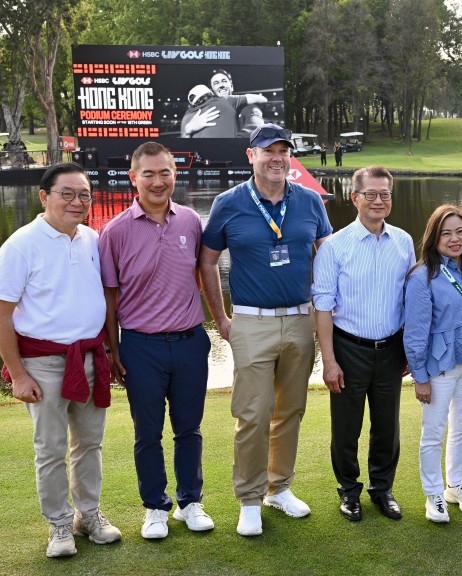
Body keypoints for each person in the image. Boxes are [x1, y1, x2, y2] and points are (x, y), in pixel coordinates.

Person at [199, 123, 332, 537]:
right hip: (252, 321)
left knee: (290, 410)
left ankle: (279, 488)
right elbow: (206, 262)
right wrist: (221, 318)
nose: (277, 158)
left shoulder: (310, 201)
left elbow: (326, 260)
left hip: (299, 319)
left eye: (283, 151)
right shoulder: (229, 203)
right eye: (267, 151)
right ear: (250, 156)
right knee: (252, 415)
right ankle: (250, 498)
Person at [0, 163, 122, 558]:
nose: (77, 202)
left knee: (90, 444)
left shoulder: (91, 240)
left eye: (84, 195)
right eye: (67, 193)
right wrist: (17, 374)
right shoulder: (20, 244)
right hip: (43, 364)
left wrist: (110, 354)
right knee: (49, 448)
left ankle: (89, 516)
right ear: (44, 196)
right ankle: (59, 525)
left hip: (91, 358)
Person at [98, 142, 214, 540]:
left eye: (165, 172)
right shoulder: (114, 231)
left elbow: (203, 276)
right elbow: (110, 301)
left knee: (189, 428)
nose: (158, 180)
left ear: (174, 174)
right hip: (140, 347)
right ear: (133, 178)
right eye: (148, 173)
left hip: (189, 342)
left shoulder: (191, 223)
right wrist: (112, 351)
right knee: (147, 433)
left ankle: (190, 501)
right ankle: (155, 507)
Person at [312, 165, 415, 522]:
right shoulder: (334, 246)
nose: (378, 200)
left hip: (390, 350)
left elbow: (410, 300)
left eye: (385, 194)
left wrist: (408, 349)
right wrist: (328, 361)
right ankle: (349, 492)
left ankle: (382, 490)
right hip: (348, 349)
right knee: (346, 428)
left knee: (387, 427)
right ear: (354, 198)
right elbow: (322, 307)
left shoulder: (403, 242)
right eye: (370, 194)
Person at [404, 204, 462, 524]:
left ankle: (455, 485)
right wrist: (420, 377)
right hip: (438, 366)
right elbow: (414, 332)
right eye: (446, 233)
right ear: (433, 237)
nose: (455, 239)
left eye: (459, 231)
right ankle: (434, 494)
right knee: (434, 432)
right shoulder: (422, 275)